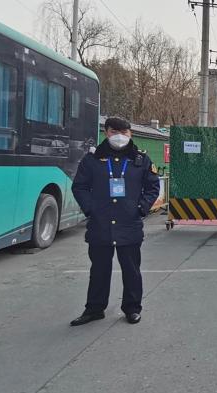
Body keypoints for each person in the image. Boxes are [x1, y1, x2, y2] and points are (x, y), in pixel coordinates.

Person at [70, 117, 160, 327]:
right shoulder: (92, 160)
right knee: (99, 270)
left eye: (124, 132)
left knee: (131, 270)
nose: (119, 136)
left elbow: (152, 187)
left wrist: (141, 208)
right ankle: (94, 309)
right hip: (100, 225)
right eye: (114, 132)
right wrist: (91, 209)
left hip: (129, 224)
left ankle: (132, 308)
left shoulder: (140, 160)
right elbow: (80, 187)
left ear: (130, 134)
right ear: (106, 132)